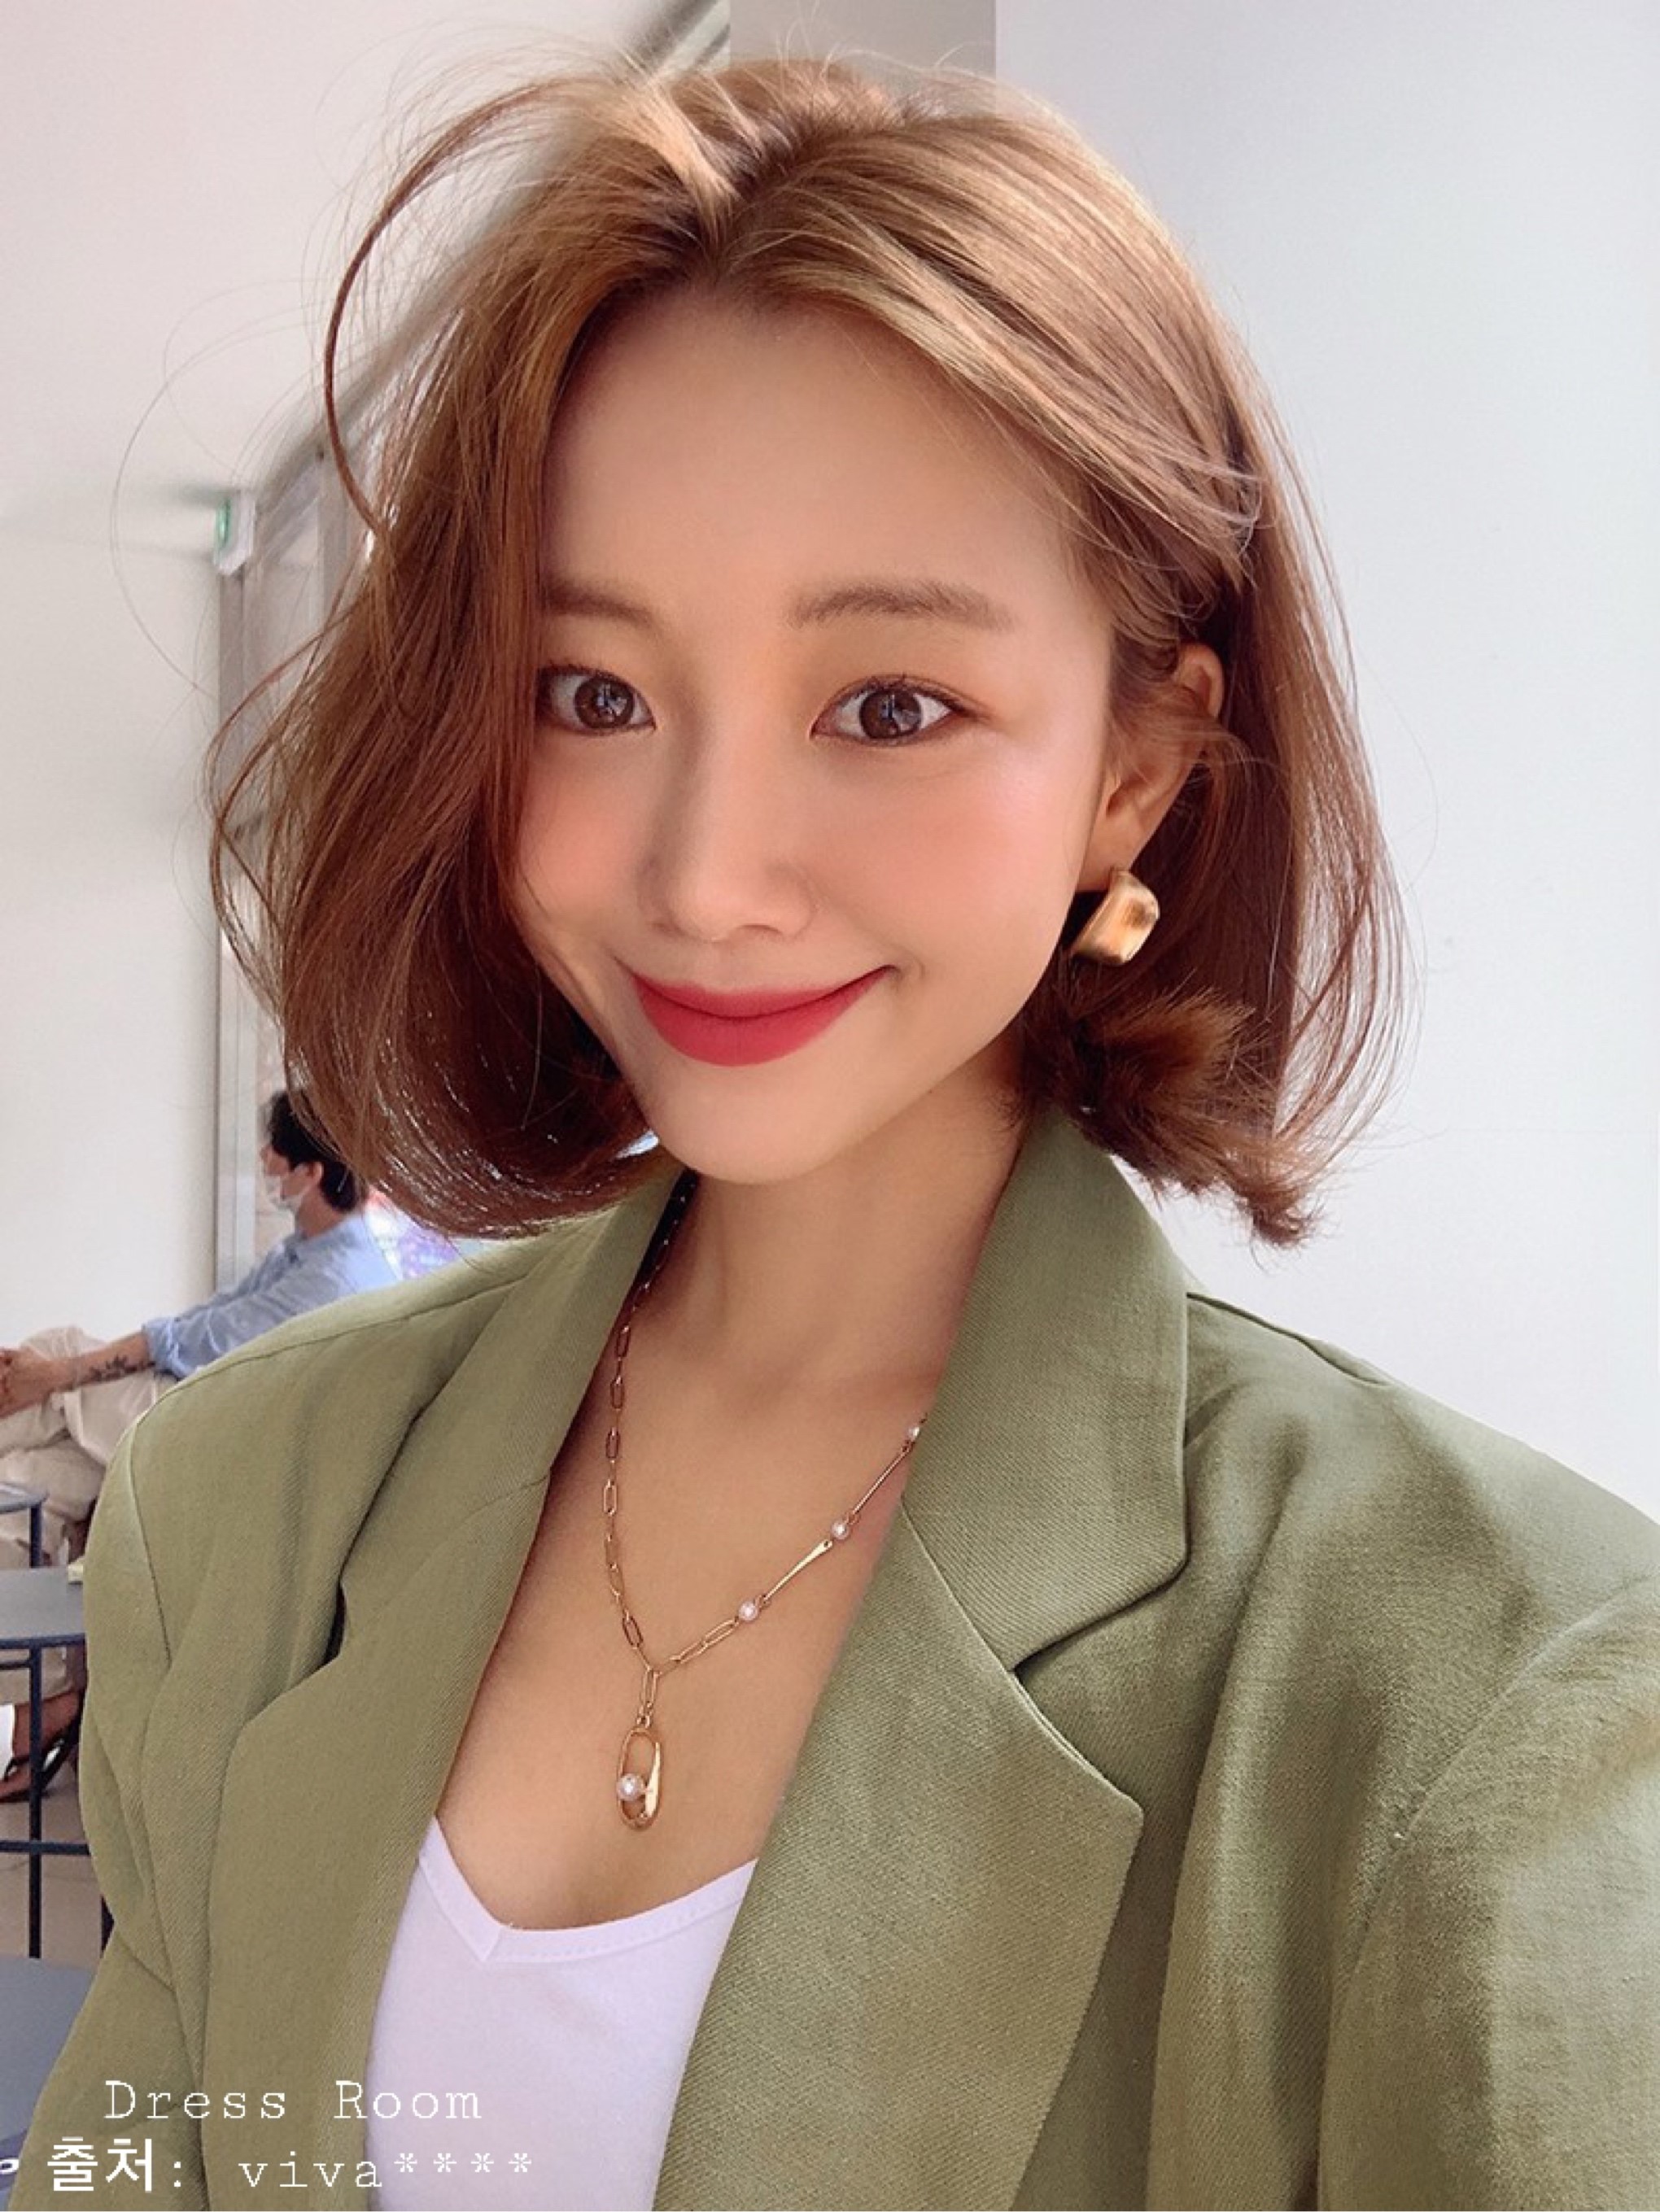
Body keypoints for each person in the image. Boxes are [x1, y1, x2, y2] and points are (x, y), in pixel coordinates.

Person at [16, 54, 1658, 2212]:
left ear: (1135, 769)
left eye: (892, 706)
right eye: (593, 693)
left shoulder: (1483, 1688)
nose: (706, 877)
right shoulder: (249, 1501)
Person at [0, 1090, 395, 1800]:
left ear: (309, 1172)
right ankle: (49, 1699)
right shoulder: (305, 1249)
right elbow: (200, 1321)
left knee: (56, 1360)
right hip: (185, 1400)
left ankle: (49, 1705)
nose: (264, 1159)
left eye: (276, 1150)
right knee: (23, 1481)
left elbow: (193, 1340)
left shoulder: (336, 1275)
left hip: (206, 1426)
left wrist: (61, 1373)